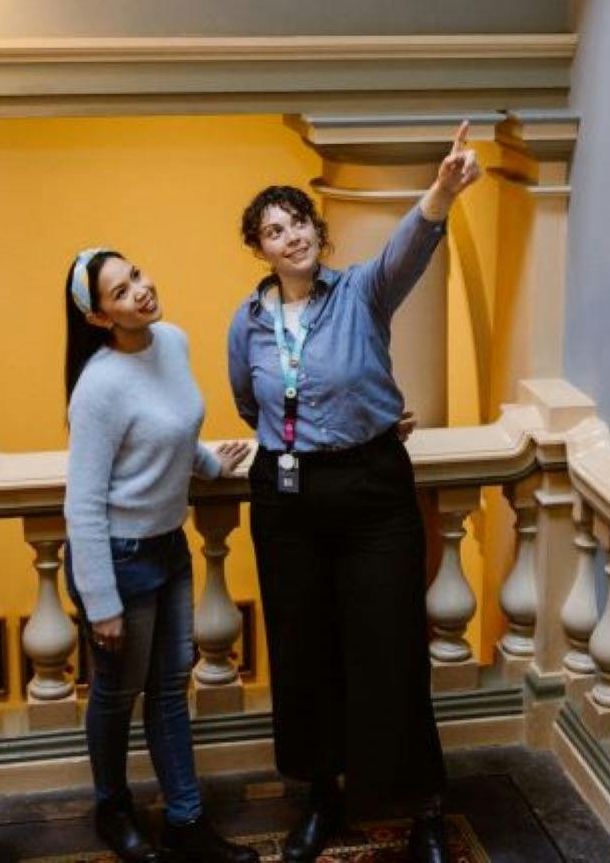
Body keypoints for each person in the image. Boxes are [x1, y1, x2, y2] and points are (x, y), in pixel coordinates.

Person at [226, 122, 483, 863]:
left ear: (318, 229)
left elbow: (410, 246)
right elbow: (248, 401)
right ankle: (322, 796)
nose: (291, 237)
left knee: (393, 646)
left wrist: (442, 189)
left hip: (371, 490)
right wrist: (308, 429)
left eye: (298, 222)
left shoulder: (361, 292)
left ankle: (424, 805)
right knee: (304, 651)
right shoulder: (248, 322)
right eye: (274, 231)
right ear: (261, 250)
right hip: (287, 498)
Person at [63, 248, 259, 863]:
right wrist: (101, 602)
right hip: (119, 559)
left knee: (171, 687)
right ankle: (112, 808)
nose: (140, 291)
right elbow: (82, 503)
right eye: (120, 292)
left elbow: (171, 430)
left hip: (170, 546)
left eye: (137, 275)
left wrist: (208, 464)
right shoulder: (98, 388)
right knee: (117, 694)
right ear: (99, 318)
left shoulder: (172, 342)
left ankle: (185, 820)